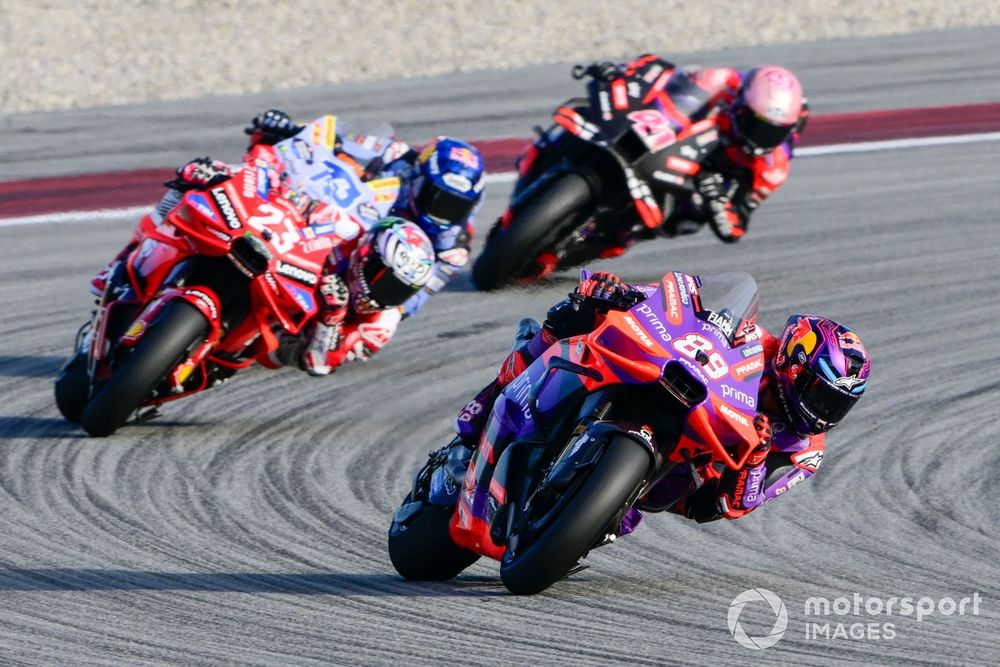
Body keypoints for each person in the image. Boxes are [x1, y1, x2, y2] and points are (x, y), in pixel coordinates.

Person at [453, 271, 869, 530]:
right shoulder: (755, 342)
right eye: (819, 394)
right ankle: (491, 401)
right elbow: (678, 307)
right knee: (575, 314)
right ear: (792, 364)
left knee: (679, 499)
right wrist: (622, 293)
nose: (822, 414)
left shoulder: (804, 450)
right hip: (673, 389)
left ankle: (595, 512)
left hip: (691, 469)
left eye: (836, 406)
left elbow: (735, 505)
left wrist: (757, 457)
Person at [89, 110, 483, 376]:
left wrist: (362, 306)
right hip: (321, 223)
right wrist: (287, 132)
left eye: (457, 205)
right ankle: (129, 260)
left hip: (370, 275)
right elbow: (334, 150)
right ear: (420, 177)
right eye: (439, 198)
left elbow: (410, 298)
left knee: (366, 322)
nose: (444, 212)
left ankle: (301, 333)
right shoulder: (397, 156)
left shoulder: (451, 243)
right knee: (197, 179)